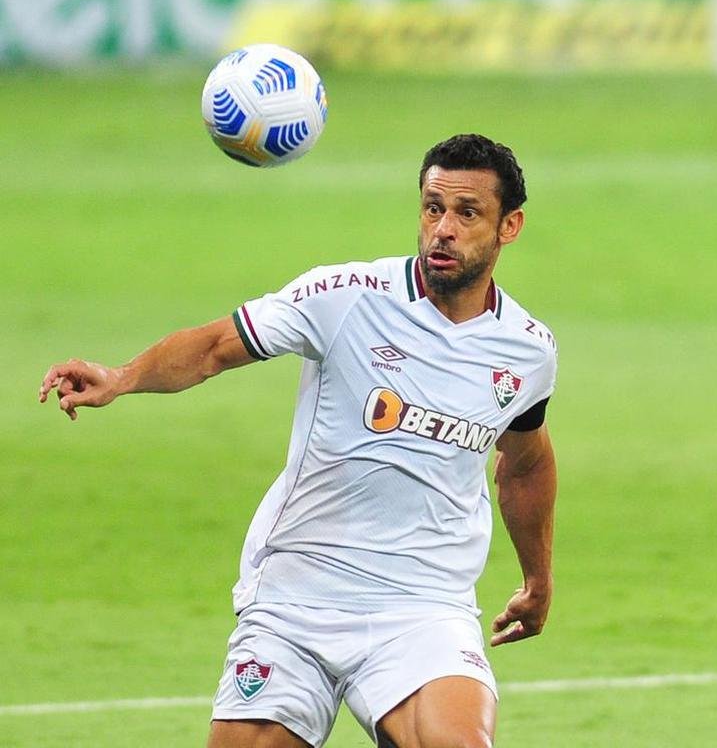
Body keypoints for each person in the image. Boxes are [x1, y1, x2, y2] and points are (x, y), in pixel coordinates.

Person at [39, 134, 559, 748]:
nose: (442, 229)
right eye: (431, 207)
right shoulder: (345, 297)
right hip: (298, 596)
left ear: (510, 226)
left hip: (423, 605)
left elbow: (524, 462)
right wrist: (122, 378)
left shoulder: (527, 351)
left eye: (467, 213)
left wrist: (537, 581)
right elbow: (211, 349)